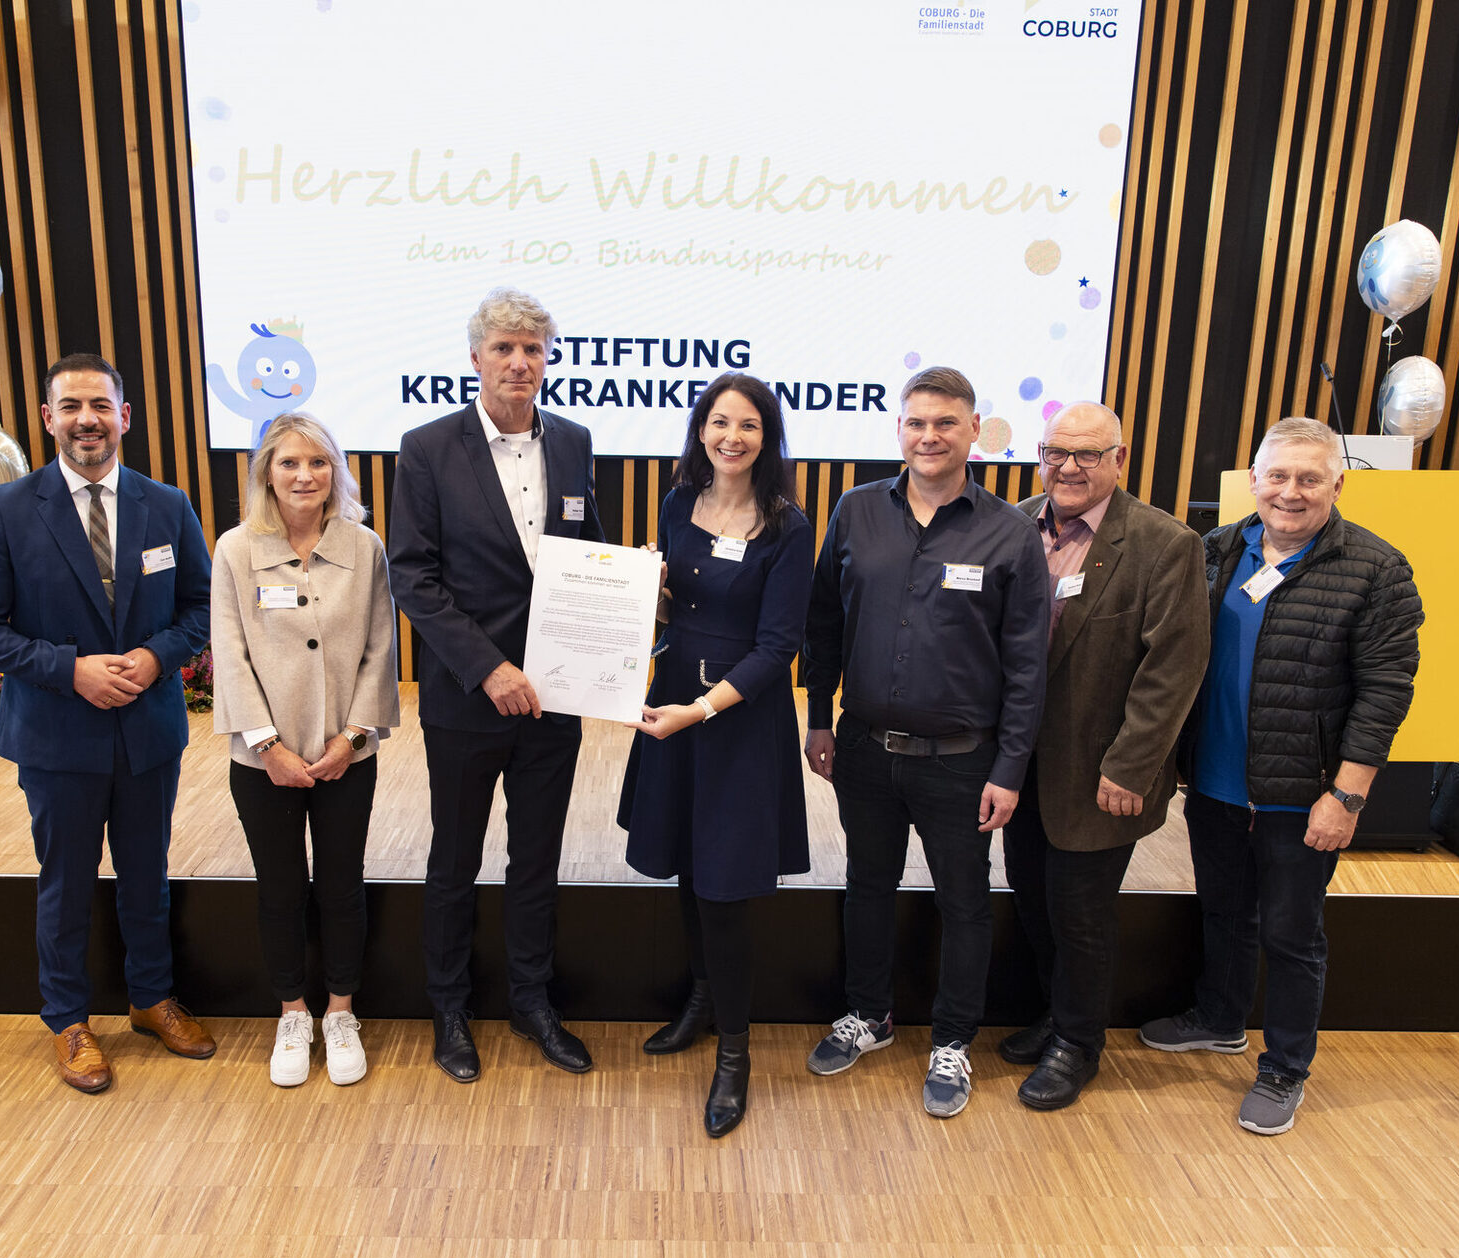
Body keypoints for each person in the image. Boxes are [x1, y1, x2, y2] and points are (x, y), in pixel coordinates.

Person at [1140, 416, 1423, 1135]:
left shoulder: (1376, 569)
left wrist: (1347, 795)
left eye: (1308, 478)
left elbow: (1386, 692)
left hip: (1304, 793)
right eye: (1277, 475)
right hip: (1214, 781)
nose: (1290, 492)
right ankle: (1219, 1018)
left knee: (1293, 934)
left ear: (1337, 485)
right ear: (1254, 479)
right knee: (1223, 910)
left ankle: (1286, 1067)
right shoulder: (1214, 548)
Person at [0, 354, 214, 1093]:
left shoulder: (167, 504)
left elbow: (201, 608)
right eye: (70, 406)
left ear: (124, 416)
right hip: (56, 734)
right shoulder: (6, 509)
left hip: (147, 729)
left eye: (100, 405)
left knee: (147, 874)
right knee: (65, 882)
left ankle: (152, 998)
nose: (86, 419)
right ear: (48, 419)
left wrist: (156, 656)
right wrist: (70, 669)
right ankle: (69, 1020)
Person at [801, 365, 1049, 1119]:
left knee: (965, 901)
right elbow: (823, 621)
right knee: (867, 885)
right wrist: (818, 716)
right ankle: (868, 1014)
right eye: (916, 422)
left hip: (963, 760)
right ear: (899, 429)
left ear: (975, 430)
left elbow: (1027, 664)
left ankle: (952, 1040)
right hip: (865, 747)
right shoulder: (856, 510)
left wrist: (1010, 768)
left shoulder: (1010, 533)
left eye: (946, 423)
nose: (929, 436)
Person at [388, 287, 609, 1083]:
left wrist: (626, 594)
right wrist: (488, 666)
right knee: (454, 859)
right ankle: (449, 1009)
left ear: (547, 360)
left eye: (533, 349)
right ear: (475, 358)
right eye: (505, 348)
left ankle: (530, 1001)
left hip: (554, 699)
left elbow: (587, 553)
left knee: (536, 859)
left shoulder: (576, 441)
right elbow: (413, 575)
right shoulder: (427, 447)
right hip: (466, 698)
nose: (520, 362)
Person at [617, 374, 814, 1138]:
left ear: (767, 437)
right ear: (701, 429)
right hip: (674, 703)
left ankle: (736, 1052)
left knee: (726, 889)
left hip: (734, 722)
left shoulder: (788, 525)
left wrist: (699, 710)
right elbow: (676, 613)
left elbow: (778, 647)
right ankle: (701, 1001)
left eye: (749, 425)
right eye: (720, 421)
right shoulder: (679, 503)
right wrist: (650, 590)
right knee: (688, 866)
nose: (733, 436)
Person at [1000, 402, 1209, 1109]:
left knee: (1079, 913)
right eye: (1055, 453)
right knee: (1032, 897)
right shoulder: (1013, 526)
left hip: (1100, 772)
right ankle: (1056, 1013)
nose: (1068, 467)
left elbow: (1173, 668)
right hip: (1019, 765)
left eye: (1087, 454)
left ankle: (1079, 1043)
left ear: (1119, 459)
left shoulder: (1164, 543)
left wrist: (1131, 766)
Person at [211, 413, 400, 1088]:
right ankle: (293, 1012)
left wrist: (352, 737)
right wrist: (268, 745)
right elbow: (230, 653)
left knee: (343, 883)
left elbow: (382, 647)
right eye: (289, 462)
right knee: (281, 885)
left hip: (347, 753)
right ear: (267, 472)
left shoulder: (365, 546)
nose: (304, 475)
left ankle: (341, 1012)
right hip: (265, 759)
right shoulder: (236, 548)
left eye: (319, 462)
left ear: (336, 472)